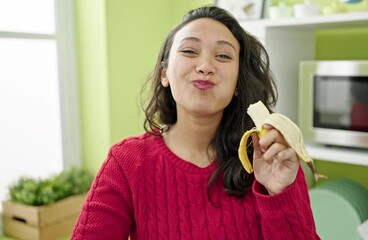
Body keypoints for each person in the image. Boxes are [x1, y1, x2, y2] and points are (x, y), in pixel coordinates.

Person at [71, 5, 320, 240]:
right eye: (189, 51)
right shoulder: (126, 163)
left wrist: (280, 194)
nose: (205, 66)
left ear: (237, 84)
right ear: (164, 74)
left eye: (223, 56)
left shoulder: (271, 157)